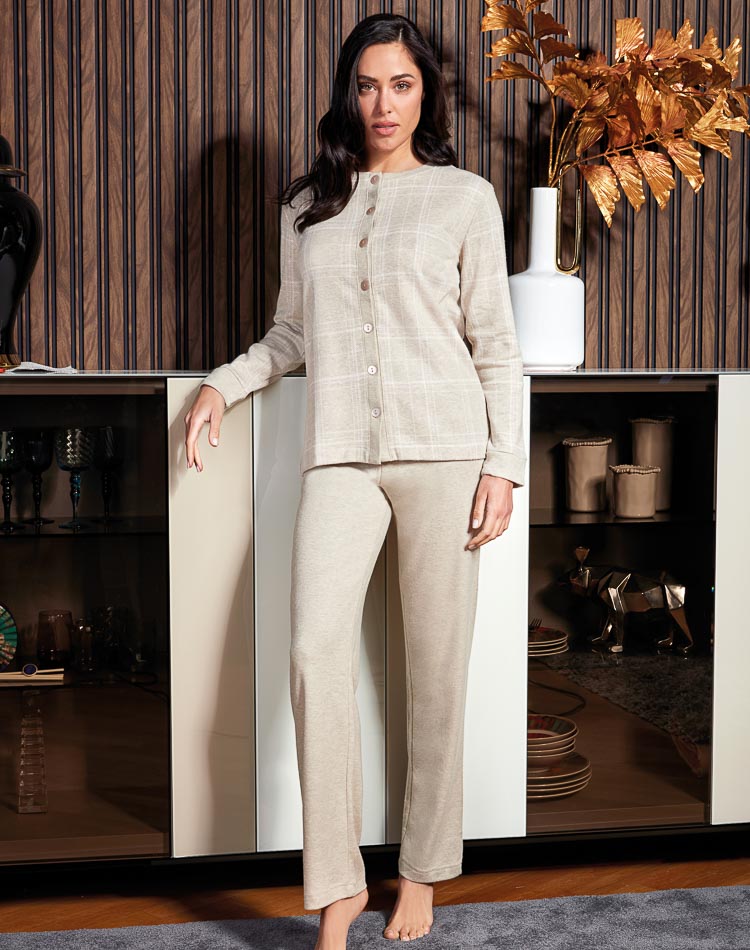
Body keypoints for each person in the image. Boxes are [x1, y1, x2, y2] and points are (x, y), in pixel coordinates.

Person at [184, 12, 526, 949]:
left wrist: (503, 464)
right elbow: (292, 332)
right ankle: (336, 883)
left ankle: (421, 872)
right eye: (368, 85)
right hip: (340, 453)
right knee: (313, 652)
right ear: (348, 94)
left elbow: (495, 343)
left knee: (436, 670)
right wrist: (223, 383)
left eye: (401, 85)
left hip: (446, 452)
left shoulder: (464, 198)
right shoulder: (309, 207)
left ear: (425, 94)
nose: (384, 104)